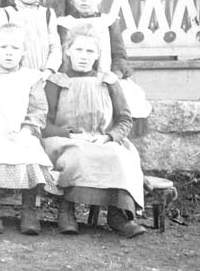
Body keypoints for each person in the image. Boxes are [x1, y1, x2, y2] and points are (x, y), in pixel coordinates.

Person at [41, 24, 146, 238]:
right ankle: (67, 209)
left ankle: (117, 214)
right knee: (76, 156)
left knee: (119, 156)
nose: (84, 56)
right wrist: (71, 135)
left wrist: (109, 137)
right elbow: (44, 124)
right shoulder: (56, 82)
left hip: (101, 139)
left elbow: (124, 120)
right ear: (68, 51)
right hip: (65, 140)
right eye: (78, 50)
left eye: (90, 51)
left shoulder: (108, 81)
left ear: (98, 54)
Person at [0, 24, 59, 235]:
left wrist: (25, 131)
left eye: (15, 48)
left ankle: (28, 209)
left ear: (24, 51)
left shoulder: (32, 78)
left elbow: (38, 111)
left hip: (21, 131)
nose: (9, 53)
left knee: (30, 148)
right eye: (3, 47)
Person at [57, 0, 152, 130]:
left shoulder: (108, 21)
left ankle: (113, 135)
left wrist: (115, 75)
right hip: (74, 77)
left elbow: (119, 55)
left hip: (104, 76)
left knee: (129, 98)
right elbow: (62, 55)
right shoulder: (65, 23)